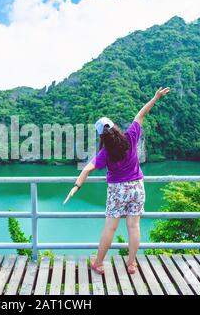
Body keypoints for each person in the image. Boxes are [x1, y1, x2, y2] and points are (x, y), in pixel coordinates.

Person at [63, 87, 170, 274]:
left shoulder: (106, 153)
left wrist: (76, 186)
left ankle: (99, 263)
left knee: (110, 228)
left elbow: (87, 169)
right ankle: (131, 264)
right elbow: (141, 114)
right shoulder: (130, 137)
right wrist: (155, 97)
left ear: (101, 136)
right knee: (134, 226)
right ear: (114, 127)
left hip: (117, 191)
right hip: (137, 187)